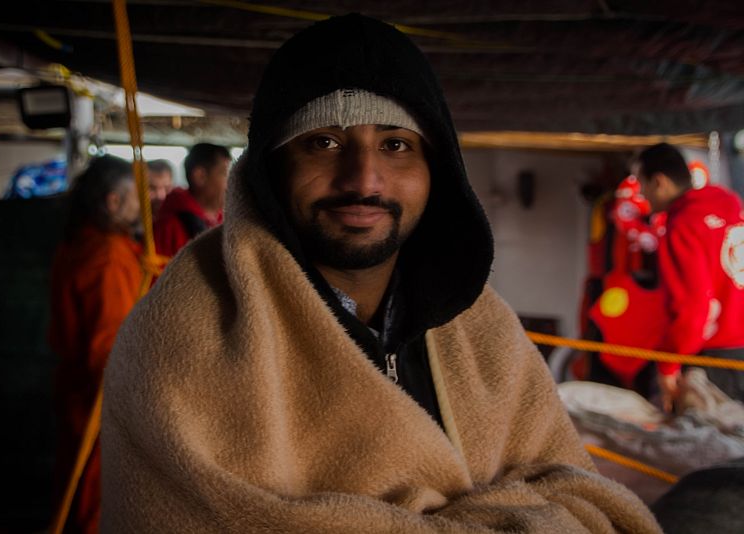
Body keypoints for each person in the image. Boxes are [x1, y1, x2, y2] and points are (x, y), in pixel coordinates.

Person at [102, 14, 661, 533]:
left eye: (396, 145)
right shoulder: (184, 334)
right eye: (324, 142)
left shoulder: (480, 322)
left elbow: (581, 492)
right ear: (272, 169)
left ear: (436, 170)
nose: (364, 180)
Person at [49, 156, 143, 534]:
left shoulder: (76, 244)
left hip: (76, 388)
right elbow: (109, 346)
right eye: (136, 197)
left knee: (77, 485)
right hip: (100, 398)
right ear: (114, 203)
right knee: (94, 497)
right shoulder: (108, 256)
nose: (143, 206)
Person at [633, 142, 744, 409]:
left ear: (659, 181)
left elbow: (693, 308)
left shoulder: (682, 224)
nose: (642, 194)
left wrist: (668, 368)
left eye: (642, 184)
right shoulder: (730, 203)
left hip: (713, 361)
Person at [153, 143, 231, 257]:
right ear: (200, 176)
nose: (231, 183)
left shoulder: (227, 220)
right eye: (225, 174)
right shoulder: (168, 226)